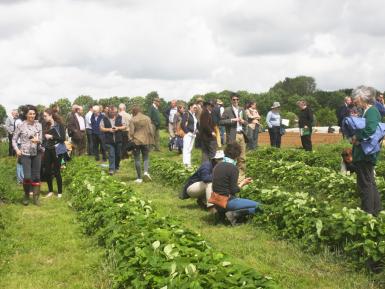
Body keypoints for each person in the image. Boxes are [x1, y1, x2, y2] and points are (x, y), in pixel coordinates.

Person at [351, 86, 382, 216]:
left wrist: (356, 137)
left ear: (363, 97)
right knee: (369, 182)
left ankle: (367, 213)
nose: (354, 101)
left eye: (356, 98)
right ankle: (376, 210)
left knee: (365, 184)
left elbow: (370, 129)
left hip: (366, 154)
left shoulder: (372, 111)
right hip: (364, 153)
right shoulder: (366, 111)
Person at [211, 143, 259, 226]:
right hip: (227, 201)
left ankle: (222, 214)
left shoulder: (217, 166)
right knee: (260, 207)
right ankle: (234, 215)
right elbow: (234, 190)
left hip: (216, 201)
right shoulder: (233, 168)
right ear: (237, 156)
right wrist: (243, 183)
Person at [12, 105, 43, 206]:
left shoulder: (39, 125)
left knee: (37, 176)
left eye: (34, 114)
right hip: (25, 153)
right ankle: (26, 196)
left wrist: (38, 140)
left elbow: (41, 140)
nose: (32, 115)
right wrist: (17, 150)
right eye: (30, 113)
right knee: (27, 177)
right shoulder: (21, 125)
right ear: (26, 114)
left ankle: (36, 198)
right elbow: (14, 140)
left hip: (37, 153)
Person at [219, 93, 248, 182]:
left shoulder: (242, 109)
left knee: (242, 157)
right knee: (232, 157)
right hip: (232, 135)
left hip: (241, 134)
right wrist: (232, 120)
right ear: (231, 100)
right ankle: (231, 177)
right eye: (234, 99)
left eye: (237, 99)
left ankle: (241, 178)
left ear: (239, 100)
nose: (235, 101)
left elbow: (247, 122)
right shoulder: (227, 110)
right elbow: (221, 121)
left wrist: (243, 121)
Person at [42, 108, 65, 198]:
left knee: (56, 171)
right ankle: (50, 191)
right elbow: (44, 138)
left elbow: (63, 138)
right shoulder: (46, 126)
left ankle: (59, 193)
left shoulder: (59, 125)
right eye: (43, 116)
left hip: (57, 150)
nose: (44, 118)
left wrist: (51, 136)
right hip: (48, 149)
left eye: (45, 116)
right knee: (47, 171)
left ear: (50, 115)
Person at [129, 106, 154, 183]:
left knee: (137, 158)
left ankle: (139, 178)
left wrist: (130, 139)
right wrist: (152, 140)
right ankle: (146, 172)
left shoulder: (132, 119)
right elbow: (151, 129)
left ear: (134, 112)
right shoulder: (147, 118)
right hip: (146, 140)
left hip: (136, 140)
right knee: (146, 157)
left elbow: (132, 132)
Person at [100, 106, 125, 175]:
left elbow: (124, 126)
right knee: (111, 154)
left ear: (116, 112)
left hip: (118, 139)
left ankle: (116, 167)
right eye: (111, 112)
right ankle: (111, 169)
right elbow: (101, 128)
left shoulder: (120, 117)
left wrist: (118, 128)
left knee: (118, 154)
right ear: (109, 112)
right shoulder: (104, 118)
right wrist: (109, 129)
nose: (113, 113)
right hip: (109, 140)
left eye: (114, 112)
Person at [181, 103, 198, 168]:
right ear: (190, 107)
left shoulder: (194, 115)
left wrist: (196, 130)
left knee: (190, 149)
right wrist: (187, 132)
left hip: (193, 134)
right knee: (186, 149)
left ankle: (189, 163)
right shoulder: (186, 114)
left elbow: (194, 124)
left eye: (196, 108)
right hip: (188, 134)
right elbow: (182, 124)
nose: (195, 109)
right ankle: (185, 164)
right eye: (194, 107)